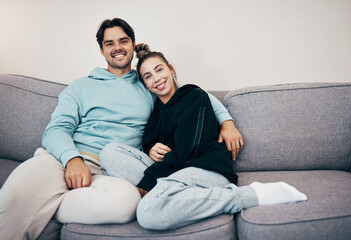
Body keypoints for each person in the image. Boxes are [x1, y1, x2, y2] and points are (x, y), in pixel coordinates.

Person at [0, 18, 243, 240]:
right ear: (101, 50)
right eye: (109, 43)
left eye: (123, 41)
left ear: (132, 44)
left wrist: (227, 121)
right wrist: (72, 159)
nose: (117, 47)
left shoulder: (147, 84)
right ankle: (43, 198)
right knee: (14, 198)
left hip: (112, 171)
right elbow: (55, 130)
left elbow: (192, 95)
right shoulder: (81, 87)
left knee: (126, 206)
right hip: (63, 159)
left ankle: (47, 202)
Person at [99, 43, 307, 230]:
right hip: (173, 172)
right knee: (110, 152)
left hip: (203, 167)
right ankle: (168, 194)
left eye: (159, 70)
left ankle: (249, 195)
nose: (156, 79)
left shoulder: (193, 95)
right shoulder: (155, 111)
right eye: (148, 76)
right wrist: (151, 148)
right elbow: (148, 144)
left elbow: (189, 148)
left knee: (148, 212)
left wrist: (150, 179)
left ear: (171, 69)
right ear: (145, 84)